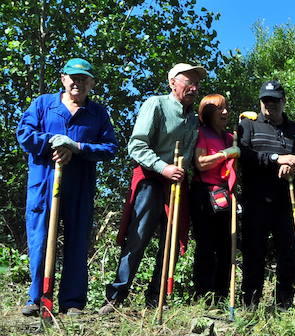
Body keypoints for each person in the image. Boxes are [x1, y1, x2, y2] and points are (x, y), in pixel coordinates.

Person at [16, 57, 117, 316]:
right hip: (44, 183)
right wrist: (54, 143)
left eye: (84, 79)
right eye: (73, 78)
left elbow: (109, 148)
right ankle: (37, 298)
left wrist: (77, 147)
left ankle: (72, 303)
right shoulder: (43, 104)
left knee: (77, 242)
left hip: (79, 187)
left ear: (91, 83)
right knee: (40, 240)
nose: (78, 83)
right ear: (63, 79)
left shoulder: (97, 113)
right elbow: (24, 134)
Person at [103, 62, 206, 314]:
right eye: (188, 81)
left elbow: (192, 153)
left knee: (170, 242)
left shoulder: (193, 117)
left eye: (197, 83)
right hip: (151, 179)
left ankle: (156, 298)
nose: (194, 87)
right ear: (172, 82)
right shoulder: (156, 104)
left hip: (177, 184)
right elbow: (136, 146)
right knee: (137, 237)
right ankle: (117, 296)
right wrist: (163, 167)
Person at [238, 80, 295, 308]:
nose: (269, 105)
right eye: (265, 101)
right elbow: (244, 156)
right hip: (256, 200)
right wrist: (275, 159)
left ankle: (284, 303)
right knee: (254, 251)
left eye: (274, 101)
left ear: (283, 101)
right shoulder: (248, 126)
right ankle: (250, 303)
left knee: (288, 252)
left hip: (286, 202)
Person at [189, 94, 239, 302]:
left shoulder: (229, 137)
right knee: (206, 246)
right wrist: (226, 154)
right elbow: (200, 163)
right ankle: (203, 295)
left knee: (227, 246)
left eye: (226, 108)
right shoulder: (202, 133)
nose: (225, 112)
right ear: (208, 113)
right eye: (219, 109)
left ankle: (221, 295)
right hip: (204, 192)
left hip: (225, 193)